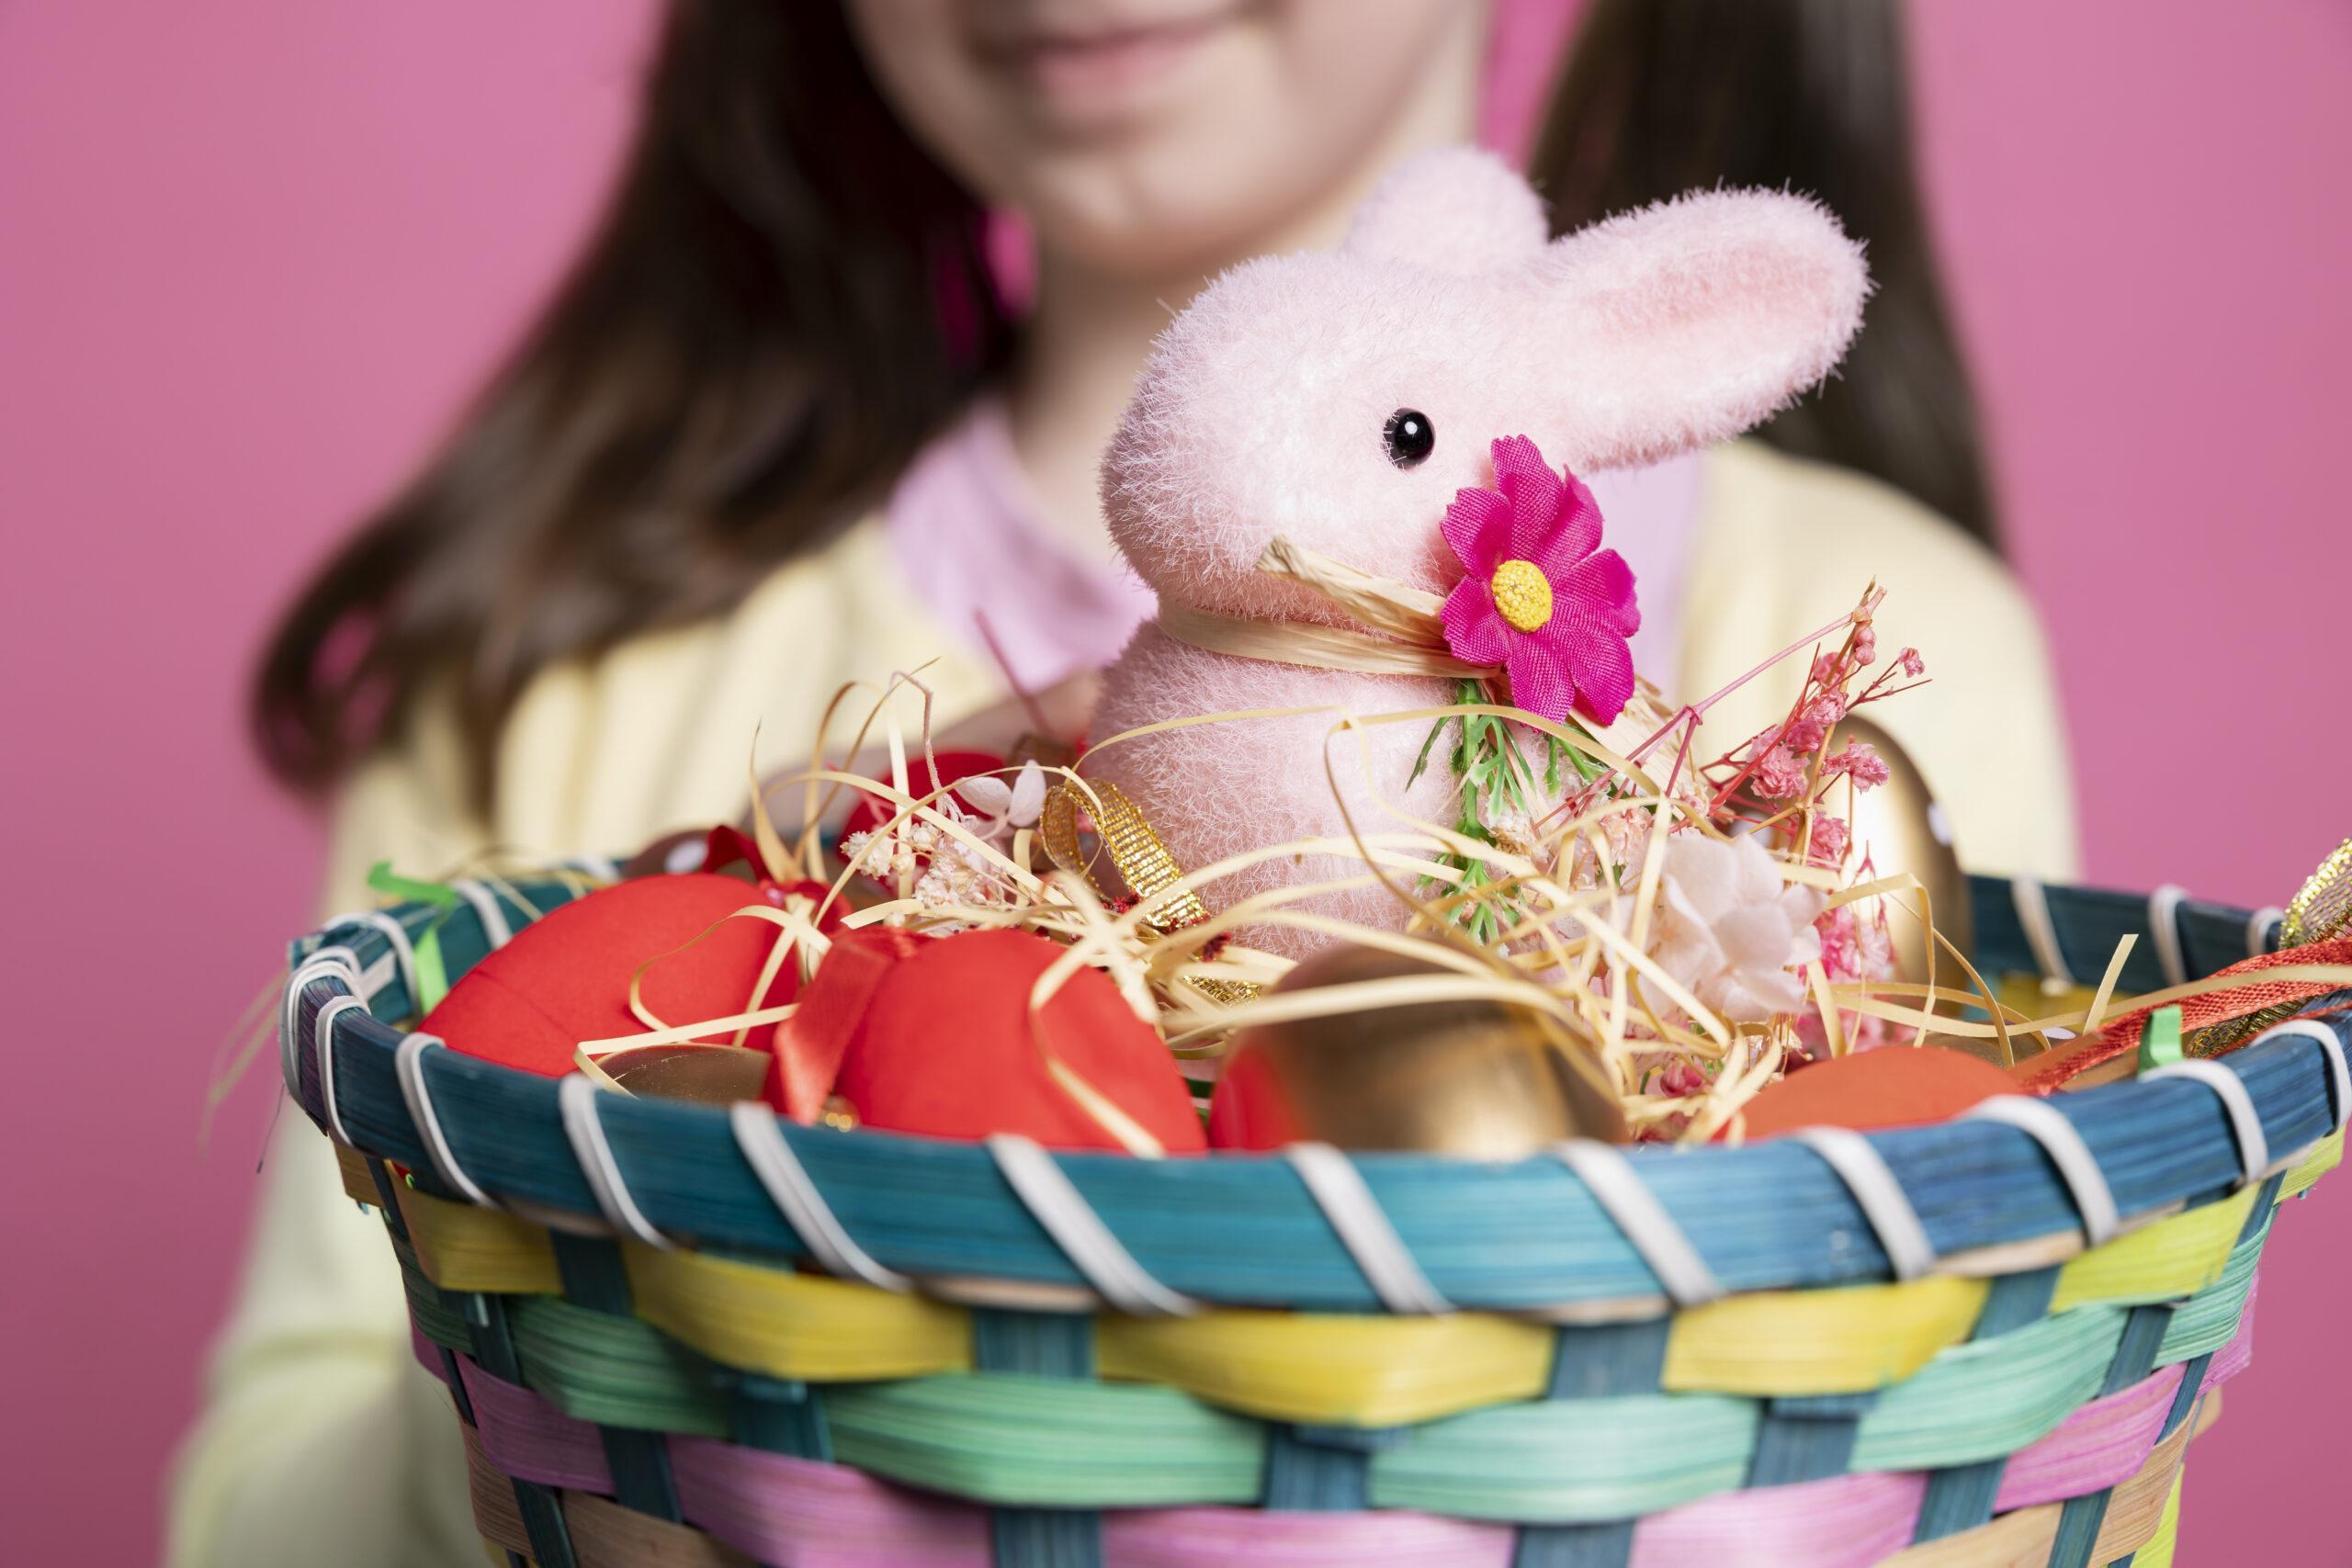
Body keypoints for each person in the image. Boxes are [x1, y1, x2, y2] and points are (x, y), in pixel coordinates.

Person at [172, 2, 2075, 1562]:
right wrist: (630, 1368)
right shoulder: (558, 673)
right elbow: (260, 1502)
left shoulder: (1852, 647)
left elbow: (1979, 1403)